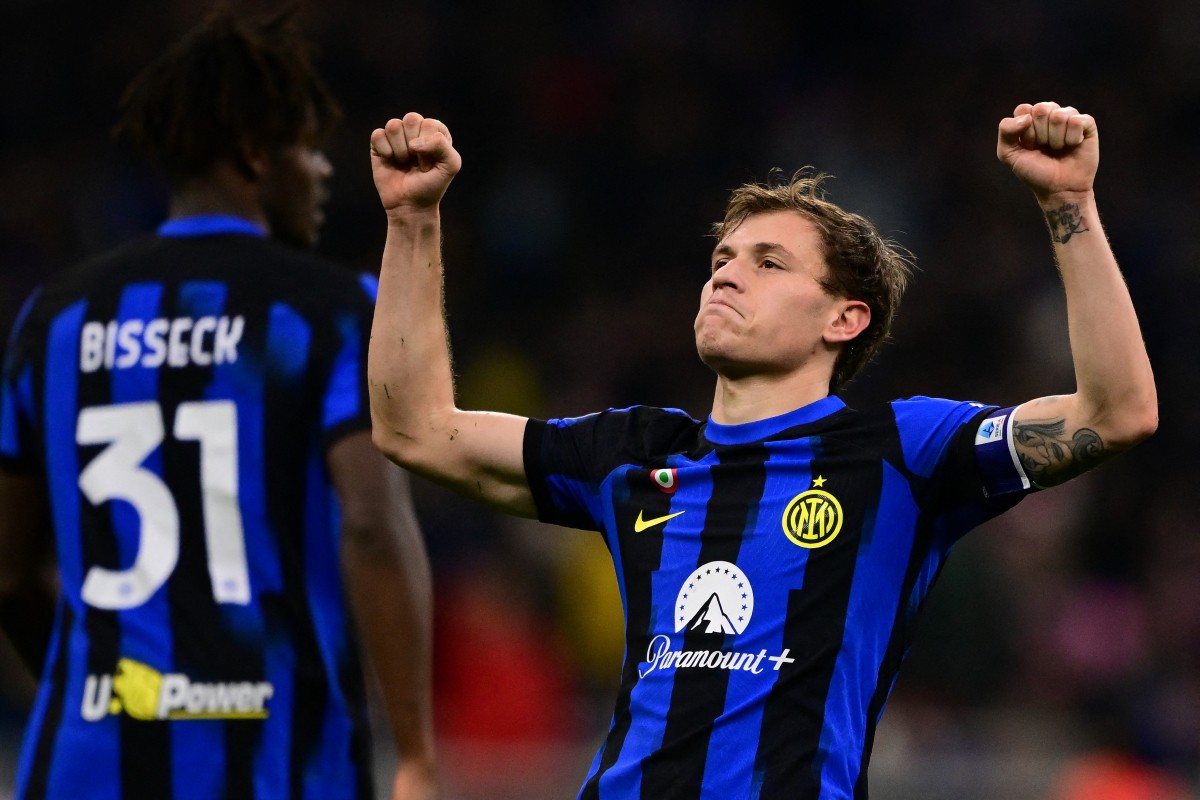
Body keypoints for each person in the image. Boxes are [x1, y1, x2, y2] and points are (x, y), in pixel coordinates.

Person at [365, 100, 1156, 799]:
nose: (724, 278)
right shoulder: (632, 452)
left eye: (767, 263)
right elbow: (416, 428)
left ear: (842, 319)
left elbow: (1116, 412)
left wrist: (1068, 203)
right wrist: (412, 221)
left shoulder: (899, 452)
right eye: (721, 261)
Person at [0, 8, 436, 799]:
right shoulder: (331, 309)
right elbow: (372, 524)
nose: (322, 170)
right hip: (279, 759)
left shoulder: (54, 319)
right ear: (255, 153)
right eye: (306, 146)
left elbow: (7, 575)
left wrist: (104, 691)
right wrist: (414, 754)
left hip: (88, 760)